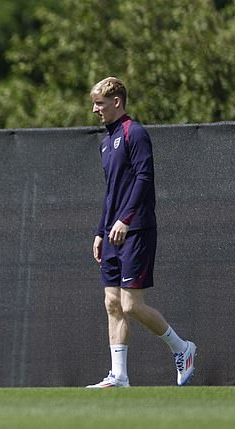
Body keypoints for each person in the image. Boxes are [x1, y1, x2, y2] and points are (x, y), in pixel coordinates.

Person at [86, 77, 196, 388]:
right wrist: (100, 231)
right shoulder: (106, 142)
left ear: (117, 102)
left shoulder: (134, 133)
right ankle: (118, 376)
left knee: (132, 305)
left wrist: (126, 219)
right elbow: (111, 192)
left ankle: (182, 348)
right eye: (94, 104)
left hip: (136, 231)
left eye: (100, 104)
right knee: (112, 303)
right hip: (111, 234)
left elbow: (144, 178)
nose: (95, 109)